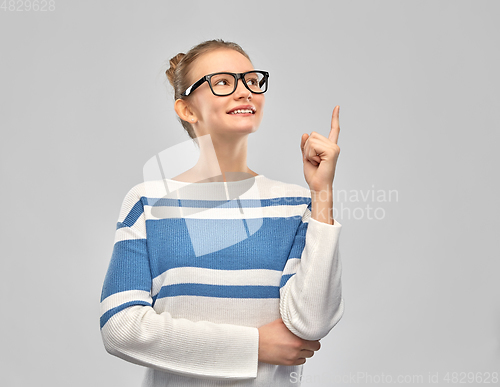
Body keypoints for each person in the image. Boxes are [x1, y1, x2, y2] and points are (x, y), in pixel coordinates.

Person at [99, 39, 343, 387]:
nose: (245, 92)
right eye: (224, 82)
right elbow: (120, 327)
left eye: (252, 81)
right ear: (187, 110)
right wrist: (255, 346)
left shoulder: (296, 205)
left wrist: (322, 194)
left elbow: (312, 323)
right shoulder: (148, 202)